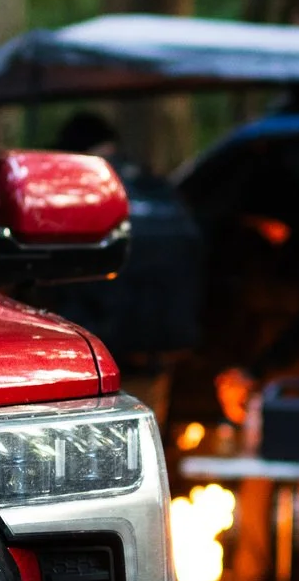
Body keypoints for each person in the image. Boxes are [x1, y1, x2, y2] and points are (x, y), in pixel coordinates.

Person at [36, 110, 205, 397]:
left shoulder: (80, 191)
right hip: (167, 347)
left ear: (75, 152)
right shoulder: (156, 186)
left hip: (98, 353)